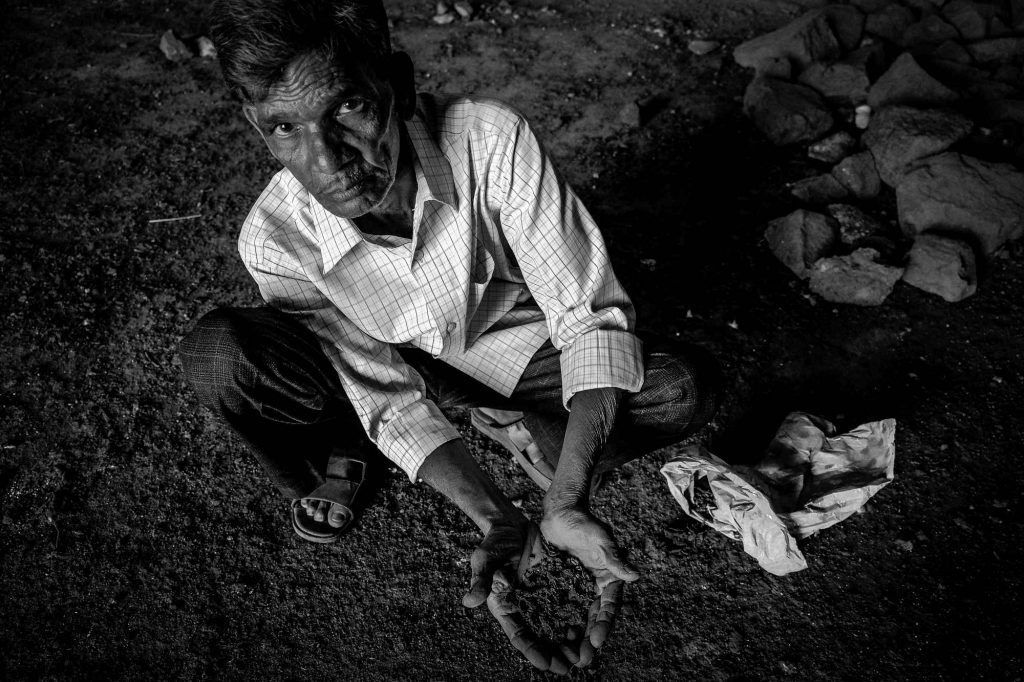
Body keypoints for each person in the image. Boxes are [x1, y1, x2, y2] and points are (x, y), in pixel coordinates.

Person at [179, 0, 721, 673]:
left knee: (677, 390)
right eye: (286, 128)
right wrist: (496, 517)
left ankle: (516, 425)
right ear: (258, 128)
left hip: (506, 348)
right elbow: (386, 397)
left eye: (348, 107)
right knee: (220, 357)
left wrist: (567, 501)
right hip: (381, 361)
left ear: (398, 86)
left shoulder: (488, 138)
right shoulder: (276, 235)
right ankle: (351, 455)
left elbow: (586, 320)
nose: (327, 161)